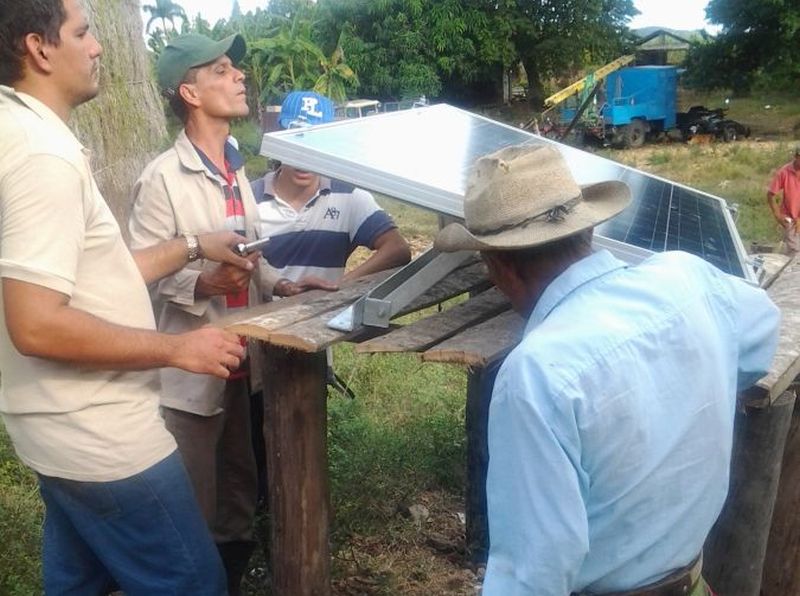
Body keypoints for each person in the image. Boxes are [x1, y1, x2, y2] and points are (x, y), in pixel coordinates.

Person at [434, 144, 780, 595]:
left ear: (496, 265)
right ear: (587, 228)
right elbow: (759, 338)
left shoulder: (537, 374)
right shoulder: (687, 278)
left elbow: (534, 571)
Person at [0, 1, 255, 594]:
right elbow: (35, 324)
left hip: (55, 427)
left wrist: (194, 244)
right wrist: (176, 350)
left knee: (79, 584)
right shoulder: (42, 155)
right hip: (102, 436)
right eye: (84, 33)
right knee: (193, 582)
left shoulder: (19, 131)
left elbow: (101, 272)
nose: (97, 47)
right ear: (40, 48)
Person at [127, 35, 336, 595]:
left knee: (239, 499)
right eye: (222, 69)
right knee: (191, 505)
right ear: (189, 92)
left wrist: (284, 282)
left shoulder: (236, 169)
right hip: (191, 375)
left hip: (243, 366)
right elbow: (141, 273)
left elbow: (247, 255)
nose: (239, 75)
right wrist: (201, 281)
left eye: (235, 67)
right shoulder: (162, 179)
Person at [251, 90, 411, 288]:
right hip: (262, 317)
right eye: (296, 140)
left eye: (316, 143)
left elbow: (398, 248)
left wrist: (337, 285)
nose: (305, 156)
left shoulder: (349, 197)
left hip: (321, 313)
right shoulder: (250, 198)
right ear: (279, 137)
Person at [766, 145, 800, 254]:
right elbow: (771, 194)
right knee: (795, 253)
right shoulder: (784, 172)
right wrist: (778, 215)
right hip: (790, 218)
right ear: (796, 156)